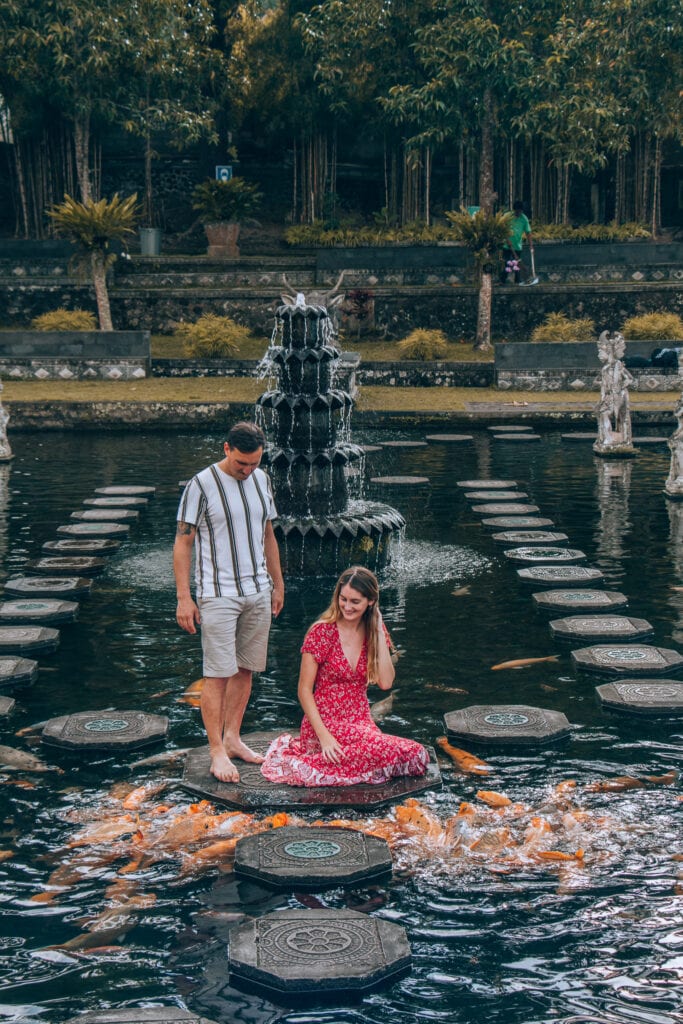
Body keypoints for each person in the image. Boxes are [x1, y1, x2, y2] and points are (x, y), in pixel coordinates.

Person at [174, 421, 284, 784]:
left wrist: (277, 585)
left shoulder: (262, 480)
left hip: (257, 590)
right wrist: (184, 598)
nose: (248, 470)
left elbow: (268, 534)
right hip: (217, 594)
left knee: (246, 669)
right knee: (217, 676)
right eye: (241, 464)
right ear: (226, 449)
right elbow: (183, 543)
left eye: (254, 463)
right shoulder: (200, 485)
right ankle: (216, 750)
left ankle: (234, 738)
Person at [260, 566, 429, 787]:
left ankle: (336, 765)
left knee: (416, 756)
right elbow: (303, 690)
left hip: (360, 721)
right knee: (389, 753)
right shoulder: (321, 632)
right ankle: (312, 763)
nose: (347, 607)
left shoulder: (374, 632)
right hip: (324, 722)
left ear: (370, 601)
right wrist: (324, 737)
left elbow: (386, 682)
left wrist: (378, 630)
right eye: (343, 599)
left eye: (355, 602)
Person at [501, 200, 533, 284]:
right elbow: (501, 227)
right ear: (514, 210)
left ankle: (518, 281)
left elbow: (528, 232)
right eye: (517, 211)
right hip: (506, 245)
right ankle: (502, 281)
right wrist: (507, 240)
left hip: (517, 246)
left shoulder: (524, 218)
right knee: (507, 264)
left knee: (517, 264)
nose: (518, 213)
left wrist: (531, 245)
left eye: (520, 211)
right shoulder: (507, 216)